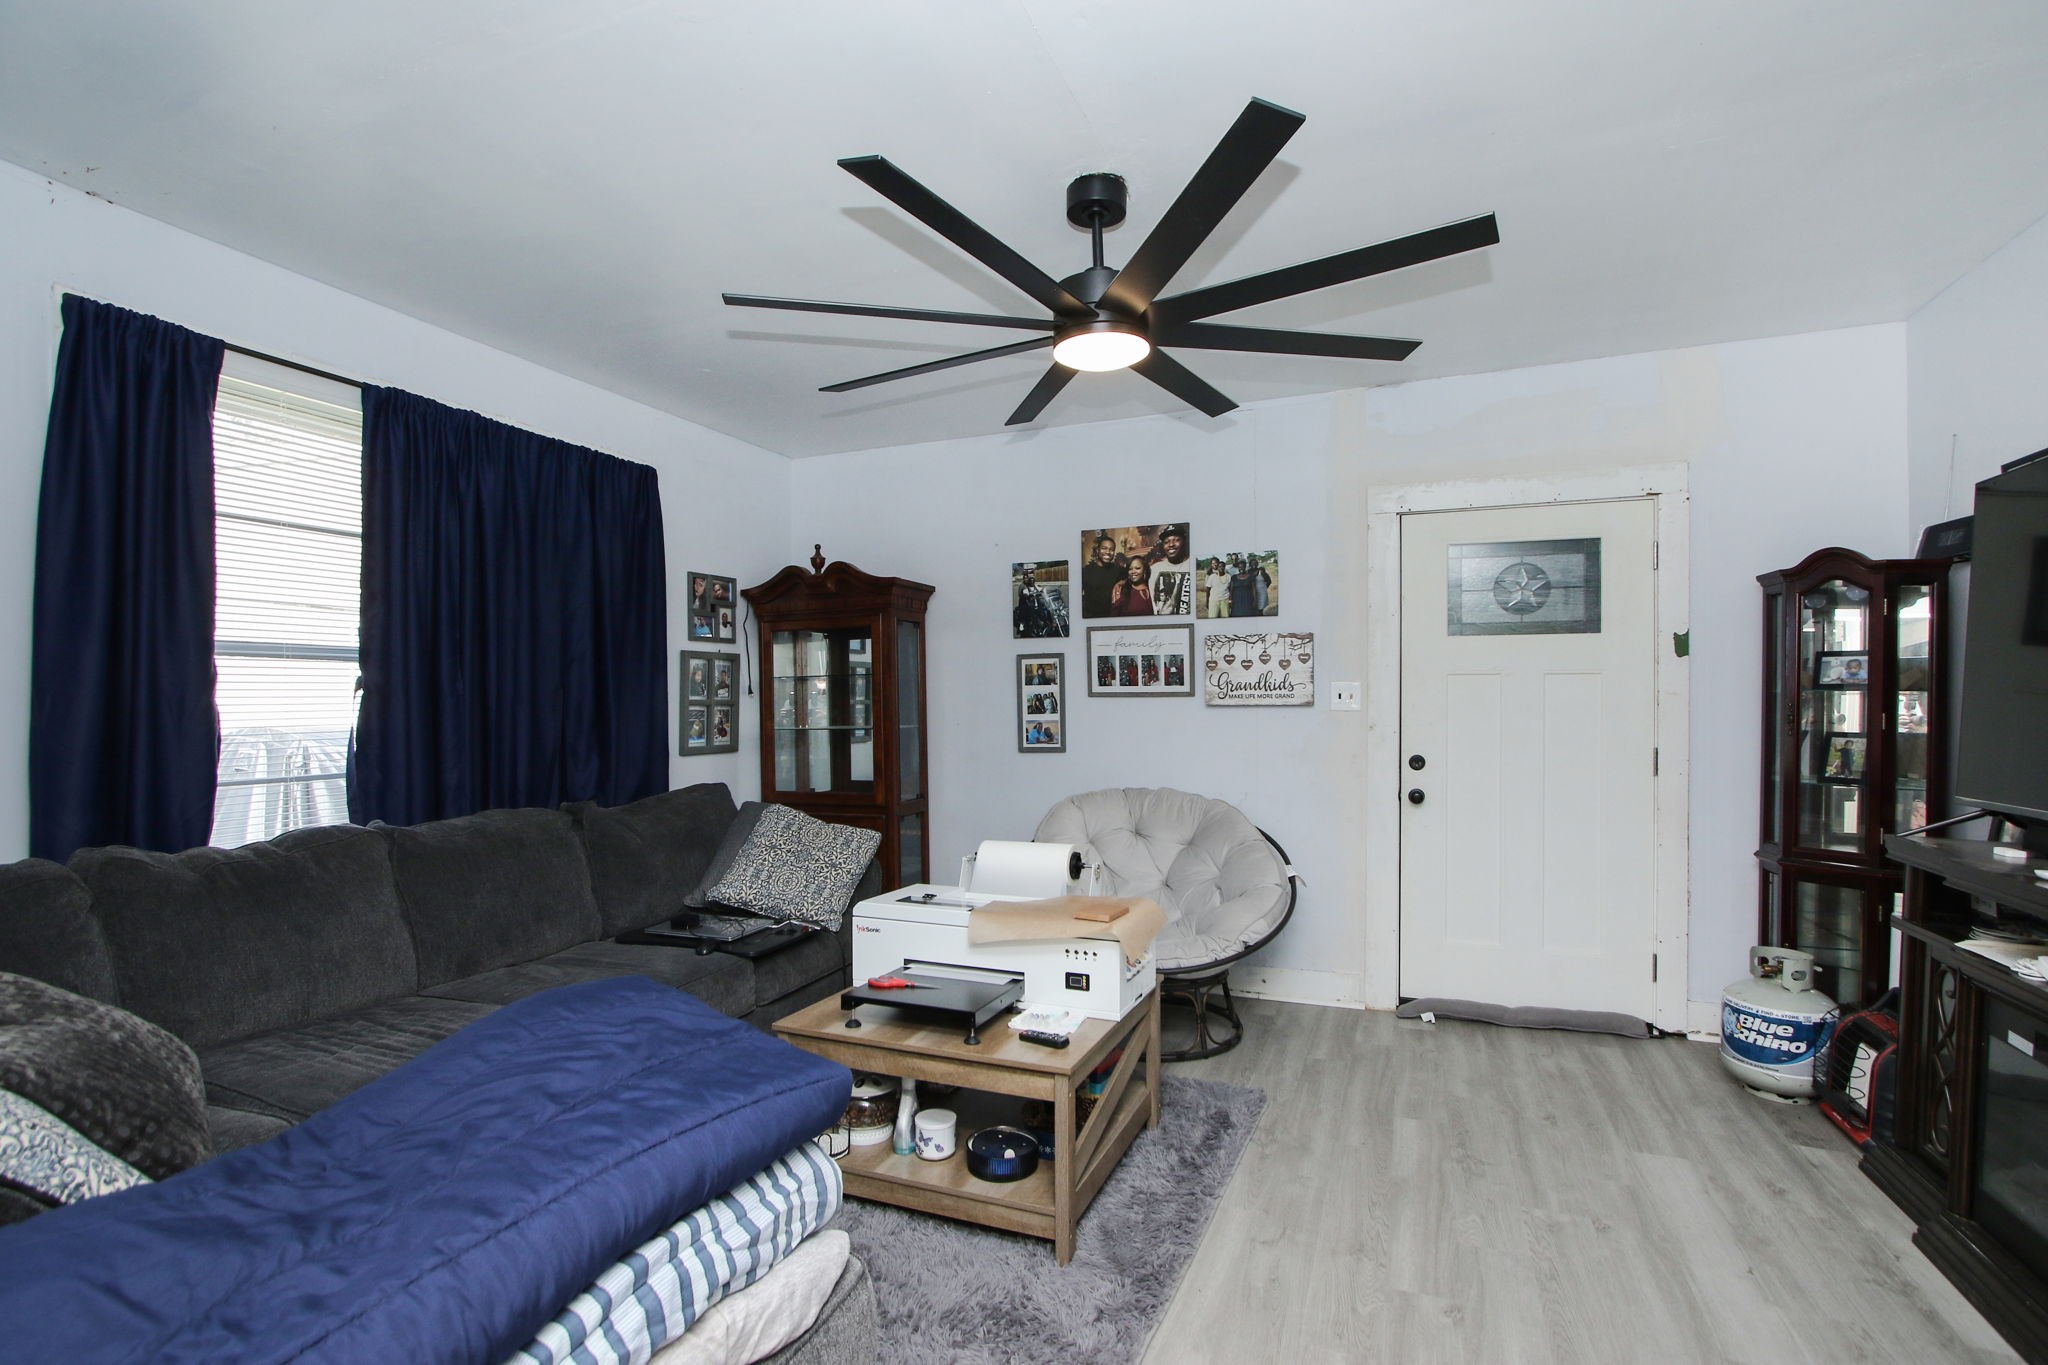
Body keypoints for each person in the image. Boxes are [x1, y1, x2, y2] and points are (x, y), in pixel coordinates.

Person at [1148, 524, 1193, 616]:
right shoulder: (1154, 569)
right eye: (1166, 542)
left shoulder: (1192, 565)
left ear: (1184, 542)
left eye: (1176, 540)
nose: (1171, 544)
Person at [1081, 534, 1123, 618]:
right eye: (1104, 548)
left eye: (1111, 549)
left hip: (1111, 617)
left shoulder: (1118, 570)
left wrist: (1121, 582)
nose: (1108, 552)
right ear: (1097, 550)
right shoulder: (1086, 571)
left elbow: (1130, 577)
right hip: (1091, 618)